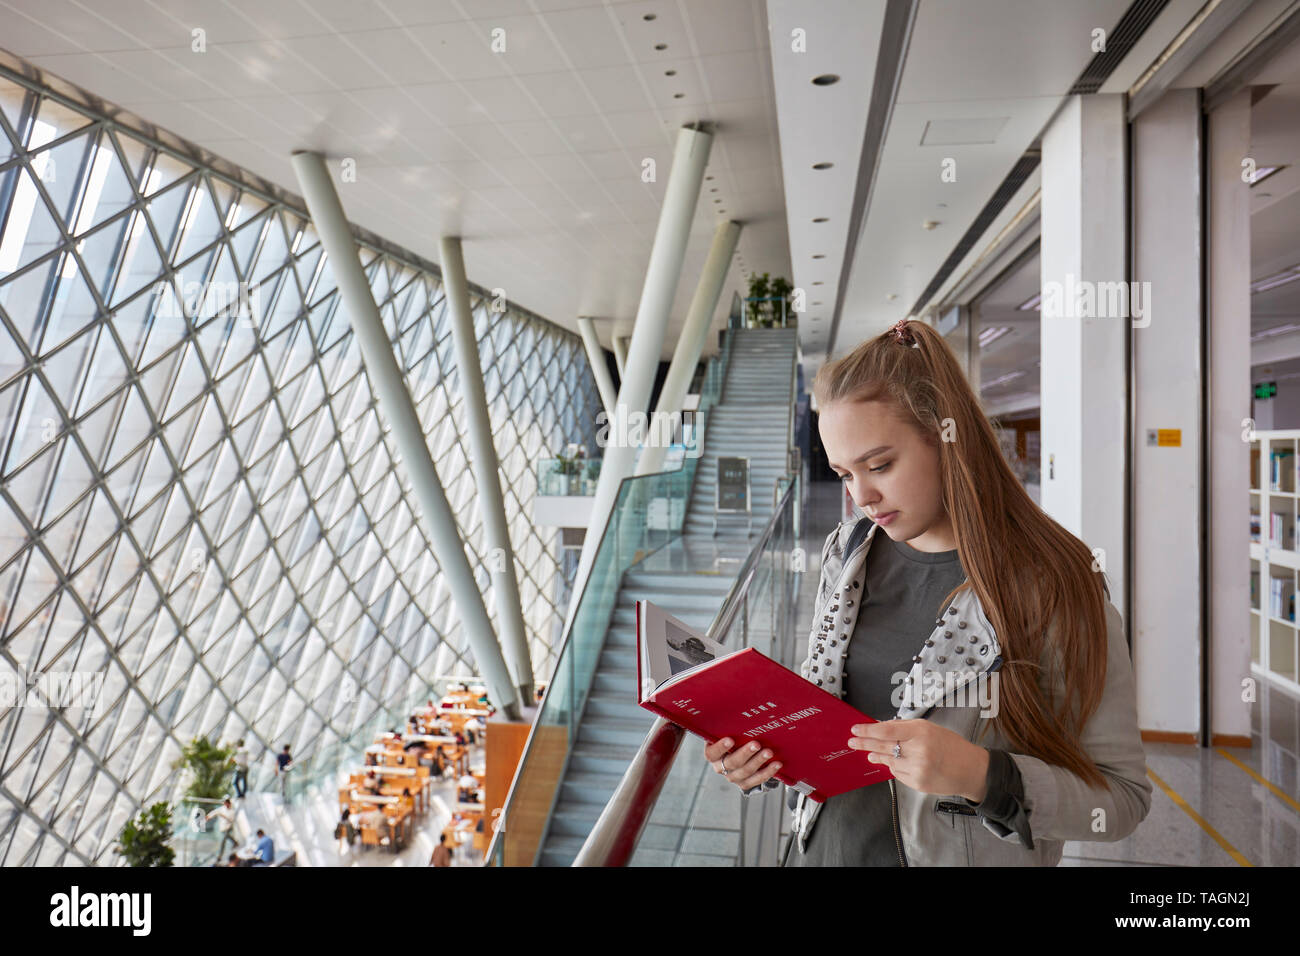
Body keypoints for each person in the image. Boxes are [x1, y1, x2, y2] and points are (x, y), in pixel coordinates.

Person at [703, 318, 1152, 867]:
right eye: (844, 474)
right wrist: (767, 752)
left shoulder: (1054, 586)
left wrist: (980, 775)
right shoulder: (848, 553)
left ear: (946, 438)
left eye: (880, 465)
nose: (861, 496)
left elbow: (1121, 799)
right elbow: (828, 709)